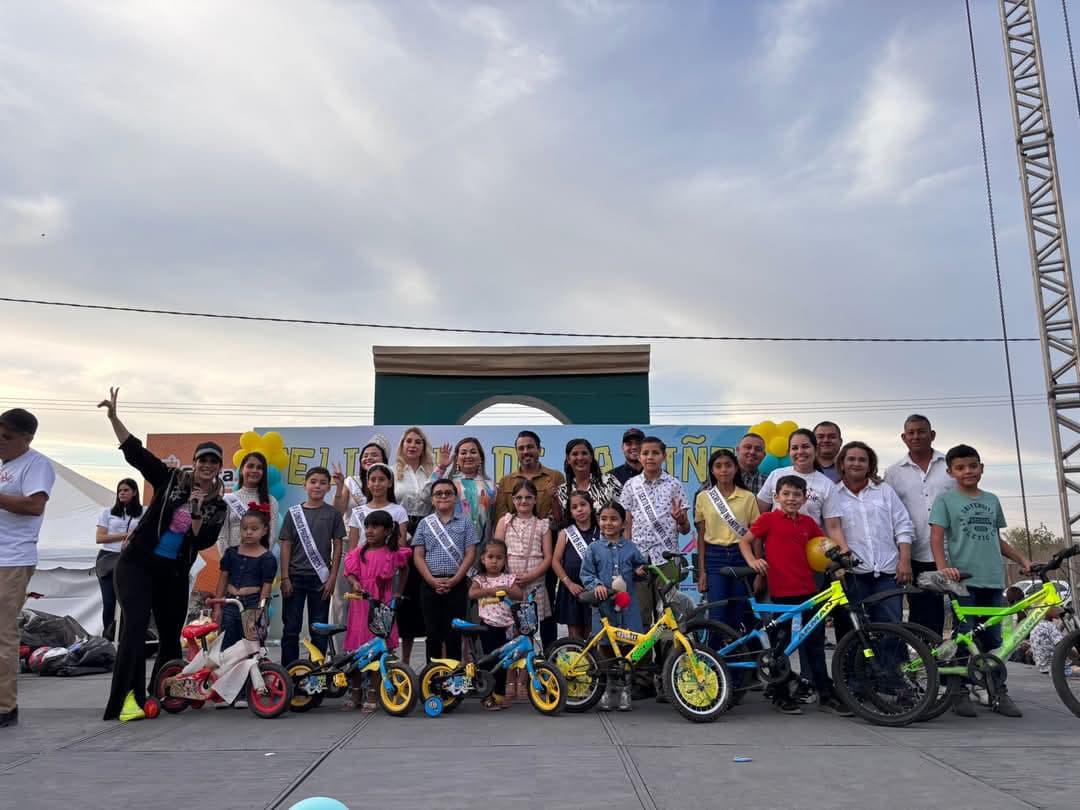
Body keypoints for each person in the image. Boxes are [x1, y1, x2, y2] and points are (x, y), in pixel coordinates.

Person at [98, 389, 226, 722]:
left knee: (170, 634)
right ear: (194, 463)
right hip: (138, 564)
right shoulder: (169, 480)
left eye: (214, 462)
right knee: (136, 626)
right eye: (203, 460)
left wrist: (198, 511)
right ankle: (128, 701)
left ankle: (164, 693)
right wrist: (114, 417)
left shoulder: (218, 505)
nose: (207, 466)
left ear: (219, 468)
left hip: (171, 573)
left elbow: (201, 541)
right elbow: (134, 453)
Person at [931, 444, 1032, 718]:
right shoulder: (945, 501)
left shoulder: (991, 500)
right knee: (965, 634)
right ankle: (959, 690)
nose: (968, 471)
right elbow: (937, 538)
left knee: (994, 639)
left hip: (992, 579)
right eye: (961, 467)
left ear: (981, 468)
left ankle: (997, 690)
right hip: (963, 580)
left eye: (973, 466)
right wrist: (944, 569)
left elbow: (996, 538)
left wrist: (1023, 560)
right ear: (951, 472)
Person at [738, 475, 852, 717]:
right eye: (786, 494)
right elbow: (745, 541)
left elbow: (823, 547)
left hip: (809, 591)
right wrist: (753, 561)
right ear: (776, 497)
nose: (791, 498)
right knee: (780, 647)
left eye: (797, 494)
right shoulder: (768, 519)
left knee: (814, 645)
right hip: (781, 593)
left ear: (804, 498)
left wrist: (840, 560)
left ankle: (826, 695)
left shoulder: (809, 523)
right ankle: (780, 695)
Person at [0, 408, 54, 728]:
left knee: (4, 633)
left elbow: (35, 506)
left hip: (12, 560)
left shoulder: (36, 465)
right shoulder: (5, 466)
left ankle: (5, 706)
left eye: (6, 437)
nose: (0, 442)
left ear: (27, 438)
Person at [884, 414, 955, 638]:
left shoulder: (951, 466)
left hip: (955, 553)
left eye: (921, 431)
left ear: (932, 435)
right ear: (904, 438)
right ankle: (929, 670)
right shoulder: (893, 473)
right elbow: (889, 515)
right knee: (925, 618)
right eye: (911, 433)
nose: (916, 436)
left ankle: (959, 669)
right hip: (918, 557)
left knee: (965, 615)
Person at [828, 442, 913, 625]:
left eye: (862, 460)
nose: (856, 463)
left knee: (891, 631)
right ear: (842, 463)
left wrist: (905, 560)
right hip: (852, 574)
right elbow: (830, 529)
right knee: (853, 633)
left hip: (888, 573)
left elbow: (903, 525)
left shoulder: (884, 491)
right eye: (851, 459)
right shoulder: (832, 493)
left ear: (870, 465)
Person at [580, 501, 648, 712]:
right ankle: (608, 688)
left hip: (628, 606)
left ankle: (626, 686)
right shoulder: (593, 548)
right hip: (604, 607)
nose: (608, 523)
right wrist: (597, 585)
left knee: (629, 645)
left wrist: (641, 571)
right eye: (604, 519)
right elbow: (586, 574)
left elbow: (641, 566)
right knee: (606, 646)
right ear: (598, 521)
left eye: (613, 519)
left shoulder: (631, 547)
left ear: (622, 523)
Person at [343, 510, 411, 711]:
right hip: (360, 605)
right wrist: (355, 583)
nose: (369, 531)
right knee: (356, 651)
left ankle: (374, 691)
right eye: (367, 527)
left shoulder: (393, 553)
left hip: (382, 604)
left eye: (375, 527)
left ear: (388, 530)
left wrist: (398, 592)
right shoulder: (359, 552)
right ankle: (356, 691)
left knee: (378, 649)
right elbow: (349, 573)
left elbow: (405, 568)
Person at [620, 436, 690, 630]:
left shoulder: (674, 485)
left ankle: (669, 659)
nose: (650, 457)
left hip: (666, 558)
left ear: (664, 456)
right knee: (641, 612)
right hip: (639, 557)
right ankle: (643, 660)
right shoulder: (631, 485)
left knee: (669, 614)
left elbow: (686, 529)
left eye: (655, 453)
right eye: (645, 453)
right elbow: (627, 524)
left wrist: (681, 519)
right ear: (640, 457)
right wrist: (628, 555)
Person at [279, 466, 346, 667]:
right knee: (291, 628)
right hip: (294, 578)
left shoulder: (333, 514)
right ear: (305, 485)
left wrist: (332, 578)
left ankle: (316, 672)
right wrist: (284, 577)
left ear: (328, 487)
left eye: (323, 482)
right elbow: (285, 545)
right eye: (313, 481)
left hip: (321, 579)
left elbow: (338, 546)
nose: (317, 486)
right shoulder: (293, 513)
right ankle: (289, 671)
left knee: (318, 629)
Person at [694, 449, 760, 639]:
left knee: (739, 612)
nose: (724, 470)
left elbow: (754, 534)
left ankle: (739, 664)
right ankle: (716, 662)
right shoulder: (703, 497)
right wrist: (702, 572)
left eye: (728, 465)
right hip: (714, 557)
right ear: (712, 471)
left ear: (736, 468)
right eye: (718, 466)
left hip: (742, 555)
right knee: (717, 613)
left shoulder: (748, 497)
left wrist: (756, 568)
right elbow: (701, 535)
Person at [413, 478, 480, 660]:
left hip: (457, 584)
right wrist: (431, 580)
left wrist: (456, 579)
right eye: (438, 493)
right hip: (430, 584)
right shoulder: (425, 523)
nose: (443, 496)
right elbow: (418, 555)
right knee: (432, 634)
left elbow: (470, 553)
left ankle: (454, 680)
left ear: (455, 498)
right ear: (432, 499)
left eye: (448, 493)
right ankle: (432, 678)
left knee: (454, 634)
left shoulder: (465, 523)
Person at [468, 539, 524, 709]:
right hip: (488, 627)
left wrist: (506, 589)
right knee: (489, 662)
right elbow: (472, 593)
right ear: (483, 559)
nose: (494, 561)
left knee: (503, 663)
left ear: (505, 560)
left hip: (507, 627)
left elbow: (519, 594)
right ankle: (487, 695)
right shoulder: (480, 579)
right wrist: (490, 590)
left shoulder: (508, 578)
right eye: (490, 557)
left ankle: (499, 695)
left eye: (499, 558)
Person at [212, 505, 275, 650]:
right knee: (226, 646)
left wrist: (260, 613)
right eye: (244, 528)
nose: (248, 532)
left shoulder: (267, 558)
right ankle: (228, 673)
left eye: (254, 529)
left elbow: (266, 587)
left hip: (252, 604)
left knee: (251, 648)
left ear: (264, 530)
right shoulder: (231, 553)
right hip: (230, 604)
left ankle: (251, 673)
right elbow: (223, 579)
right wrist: (217, 606)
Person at [494, 480, 553, 633]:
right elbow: (496, 553)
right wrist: (508, 577)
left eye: (528, 497)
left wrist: (531, 576)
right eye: (519, 497)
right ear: (513, 500)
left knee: (533, 631)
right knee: (512, 628)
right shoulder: (505, 521)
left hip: (535, 585)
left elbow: (548, 558)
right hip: (511, 585)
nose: (523, 501)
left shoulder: (543, 525)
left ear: (535, 499)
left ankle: (532, 656)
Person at [756, 428, 842, 531]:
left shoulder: (827, 485)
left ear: (815, 450)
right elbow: (758, 514)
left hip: (810, 544)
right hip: (776, 544)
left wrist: (843, 548)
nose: (800, 452)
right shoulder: (776, 475)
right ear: (789, 452)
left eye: (805, 447)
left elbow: (834, 528)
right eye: (795, 448)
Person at [95, 478, 143, 641]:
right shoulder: (107, 512)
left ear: (135, 492)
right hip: (108, 558)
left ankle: (124, 637)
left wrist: (134, 537)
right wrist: (126, 535)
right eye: (120, 490)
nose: (122, 493)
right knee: (109, 602)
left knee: (126, 602)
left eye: (126, 490)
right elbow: (100, 538)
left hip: (131, 560)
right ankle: (108, 637)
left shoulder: (143, 512)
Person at [552, 490, 601, 640]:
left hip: (594, 590)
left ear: (591, 507)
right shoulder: (565, 533)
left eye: (583, 505)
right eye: (574, 507)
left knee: (592, 634)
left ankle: (593, 663)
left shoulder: (601, 531)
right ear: (570, 512)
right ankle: (577, 663)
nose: (579, 509)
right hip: (572, 590)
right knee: (574, 636)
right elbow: (555, 561)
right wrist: (569, 583)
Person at [493, 430, 565, 522]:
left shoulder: (556, 477)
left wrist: (540, 530)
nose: (525, 451)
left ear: (539, 450)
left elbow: (561, 515)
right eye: (521, 448)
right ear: (516, 452)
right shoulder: (505, 481)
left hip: (549, 534)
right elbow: (501, 517)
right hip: (512, 535)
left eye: (530, 447)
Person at [217, 451, 279, 556]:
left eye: (259, 468)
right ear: (241, 470)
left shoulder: (271, 501)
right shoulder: (228, 499)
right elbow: (222, 535)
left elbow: (272, 535)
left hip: (259, 563)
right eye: (250, 466)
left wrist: (259, 559)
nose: (254, 470)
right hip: (233, 562)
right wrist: (228, 560)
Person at [439, 437, 497, 543]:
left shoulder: (490, 485)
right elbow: (425, 498)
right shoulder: (448, 482)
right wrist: (441, 468)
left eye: (473, 452)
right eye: (463, 453)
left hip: (482, 545)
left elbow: (494, 518)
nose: (468, 456)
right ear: (456, 458)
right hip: (450, 544)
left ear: (481, 458)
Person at [554, 438, 623, 526]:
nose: (580, 458)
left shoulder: (608, 481)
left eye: (584, 453)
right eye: (575, 454)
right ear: (568, 460)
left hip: (608, 537)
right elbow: (561, 522)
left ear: (591, 457)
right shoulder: (562, 491)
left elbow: (625, 511)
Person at [344, 463, 408, 553]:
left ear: (389, 483)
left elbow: (400, 546)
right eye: (373, 480)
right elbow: (353, 548)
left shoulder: (399, 511)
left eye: (381, 480)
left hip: (389, 563)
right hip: (362, 563)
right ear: (368, 484)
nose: (377, 484)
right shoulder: (357, 512)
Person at [333, 437, 391, 516]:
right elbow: (337, 513)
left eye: (374, 455)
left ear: (384, 460)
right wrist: (339, 487)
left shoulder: (390, 483)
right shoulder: (351, 482)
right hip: (351, 528)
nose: (369, 458)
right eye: (365, 456)